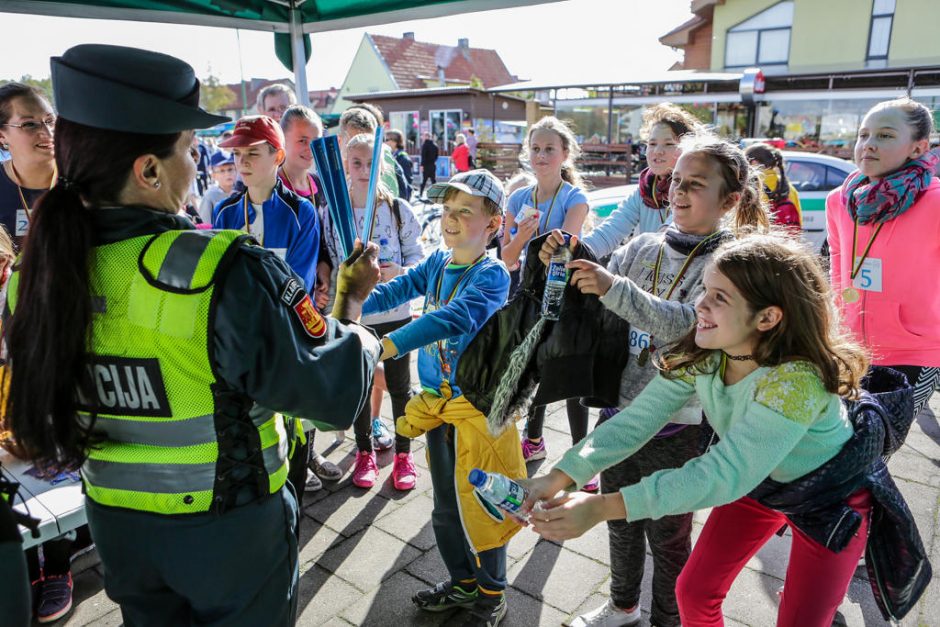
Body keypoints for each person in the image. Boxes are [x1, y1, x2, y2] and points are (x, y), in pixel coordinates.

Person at [3, 44, 381, 626]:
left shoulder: (31, 275)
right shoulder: (216, 270)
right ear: (149, 170)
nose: (196, 165)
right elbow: (330, 396)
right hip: (228, 531)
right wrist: (352, 307)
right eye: (188, 150)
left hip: (116, 527)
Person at [522, 235, 876, 627]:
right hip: (760, 483)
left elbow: (723, 473)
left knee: (803, 618)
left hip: (828, 498)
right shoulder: (708, 355)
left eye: (719, 297)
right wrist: (560, 475)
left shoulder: (795, 381)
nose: (700, 304)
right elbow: (636, 421)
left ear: (767, 317)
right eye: (705, 290)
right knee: (693, 592)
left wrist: (604, 507)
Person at [539, 133, 770, 627]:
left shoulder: (727, 263)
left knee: (668, 536)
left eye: (695, 185)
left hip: (681, 423)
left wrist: (612, 287)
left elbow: (686, 324)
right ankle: (623, 605)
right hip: (622, 410)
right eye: (675, 181)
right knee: (617, 520)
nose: (678, 192)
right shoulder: (645, 245)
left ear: (730, 200)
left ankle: (669, 617)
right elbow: (600, 290)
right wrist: (564, 260)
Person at [363, 169, 520, 626]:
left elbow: (453, 318)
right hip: (437, 410)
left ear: (493, 225)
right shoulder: (436, 262)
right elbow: (397, 289)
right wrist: (352, 302)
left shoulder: (491, 275)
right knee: (446, 509)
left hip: (476, 414)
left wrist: (389, 344)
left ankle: (492, 594)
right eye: (448, 210)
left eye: (465, 212)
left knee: (485, 506)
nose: (451, 219)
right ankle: (462, 582)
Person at [827, 97, 940, 420]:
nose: (869, 145)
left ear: (917, 149)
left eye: (885, 136)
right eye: (864, 135)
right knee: (843, 448)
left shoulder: (935, 201)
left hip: (914, 352)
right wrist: (839, 314)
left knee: (876, 447)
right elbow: (837, 261)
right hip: (851, 348)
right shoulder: (839, 201)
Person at [501, 116, 590, 480]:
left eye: (549, 149)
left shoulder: (576, 199)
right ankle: (534, 439)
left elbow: (563, 253)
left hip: (566, 297)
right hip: (527, 294)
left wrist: (536, 243)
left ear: (565, 154)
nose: (541, 155)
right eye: (535, 148)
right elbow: (507, 259)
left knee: (571, 378)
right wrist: (521, 237)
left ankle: (582, 457)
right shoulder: (519, 198)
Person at [341, 133, 424, 491]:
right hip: (357, 316)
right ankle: (364, 452)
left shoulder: (398, 210)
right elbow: (329, 259)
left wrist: (397, 272)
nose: (363, 170)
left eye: (370, 163)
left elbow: (418, 260)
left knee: (401, 388)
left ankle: (404, 455)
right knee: (359, 386)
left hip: (396, 313)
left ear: (383, 166)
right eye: (356, 163)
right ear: (346, 165)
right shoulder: (337, 210)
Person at [276, 104, 344, 491]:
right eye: (302, 139)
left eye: (315, 140)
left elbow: (321, 238)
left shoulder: (318, 188)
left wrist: (324, 267)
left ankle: (310, 452)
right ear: (283, 140)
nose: (310, 147)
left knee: (310, 379)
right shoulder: (275, 187)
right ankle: (289, 460)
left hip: (314, 302)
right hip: (282, 304)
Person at [582, 103, 703, 258]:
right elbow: (610, 231)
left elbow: (668, 237)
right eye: (652, 143)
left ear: (687, 149)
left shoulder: (696, 192)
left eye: (669, 144)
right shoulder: (644, 191)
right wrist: (575, 251)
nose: (657, 151)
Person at [214, 115, 319, 291]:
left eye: (252, 153)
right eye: (236, 153)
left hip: (283, 317)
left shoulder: (301, 212)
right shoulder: (224, 212)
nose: (242, 162)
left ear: (278, 157)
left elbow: (301, 287)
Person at [0, 83, 57, 248]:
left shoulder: (84, 179)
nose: (48, 133)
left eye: (50, 121)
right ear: (2, 136)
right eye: (29, 124)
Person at [745, 143, 801, 231]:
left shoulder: (750, 187)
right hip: (784, 242)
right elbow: (797, 220)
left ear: (754, 162)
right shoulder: (789, 187)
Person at [197, 151, 236, 224]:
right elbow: (205, 224)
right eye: (222, 171)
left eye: (230, 169)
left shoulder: (242, 192)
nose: (227, 174)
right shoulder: (210, 196)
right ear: (213, 175)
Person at [420, 132, 440, 196]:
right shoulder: (435, 145)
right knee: (433, 180)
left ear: (427, 137)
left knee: (424, 180)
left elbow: (423, 156)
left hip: (426, 165)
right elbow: (437, 156)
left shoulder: (425, 145)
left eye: (423, 136)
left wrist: (422, 165)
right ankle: (436, 194)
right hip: (433, 165)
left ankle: (420, 194)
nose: (422, 137)